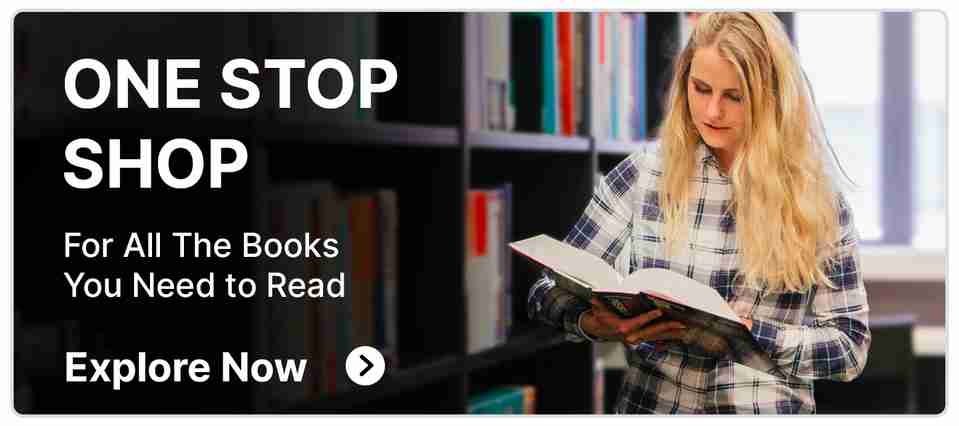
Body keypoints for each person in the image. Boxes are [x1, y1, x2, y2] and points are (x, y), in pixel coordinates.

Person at [527, 12, 870, 414]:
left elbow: (850, 349)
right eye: (701, 88)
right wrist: (593, 323)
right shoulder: (642, 175)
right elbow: (544, 292)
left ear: (771, 97)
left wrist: (752, 333)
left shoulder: (817, 201)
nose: (712, 111)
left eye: (734, 96)